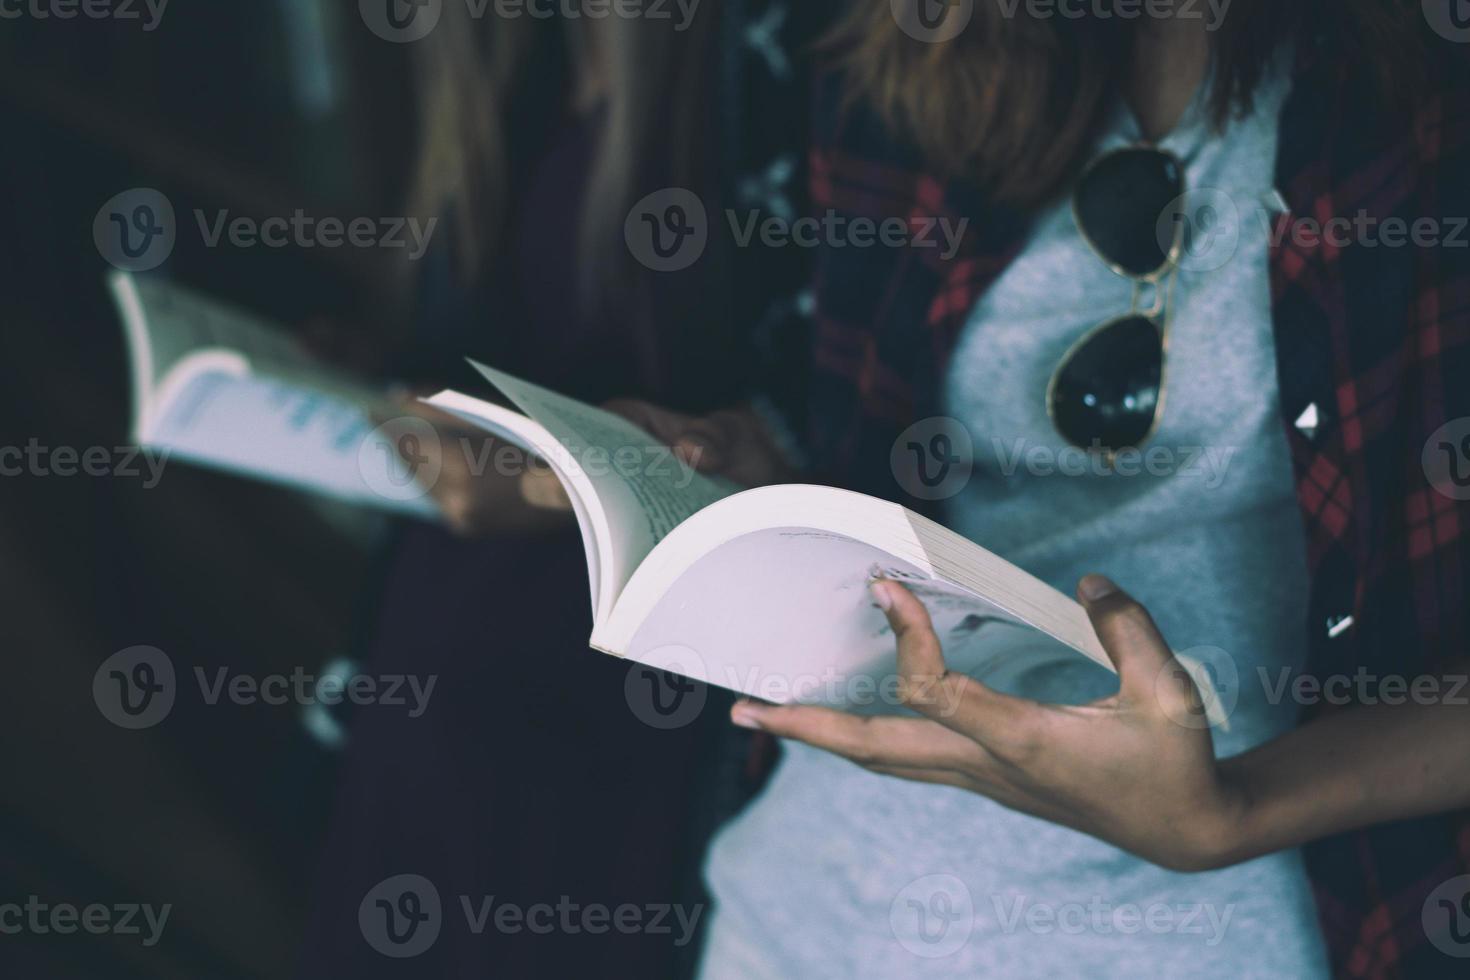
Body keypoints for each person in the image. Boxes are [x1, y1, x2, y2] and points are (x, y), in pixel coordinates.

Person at [610, 1, 1470, 976]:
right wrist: (745, 468)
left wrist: (1241, 809)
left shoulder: (1426, 89)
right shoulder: (919, 53)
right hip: (804, 910)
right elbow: (874, 450)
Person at [298, 3, 832, 977]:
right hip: (432, 701)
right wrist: (370, 376)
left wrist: (553, 480)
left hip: (611, 731)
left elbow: (829, 428)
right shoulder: (508, 61)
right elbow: (506, 343)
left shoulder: (774, 61)